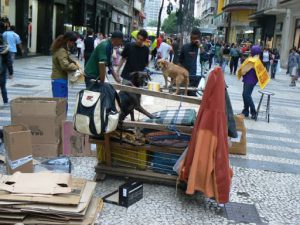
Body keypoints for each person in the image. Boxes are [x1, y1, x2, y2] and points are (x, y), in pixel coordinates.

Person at [50, 31, 79, 100]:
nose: (73, 44)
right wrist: (76, 67)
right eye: (73, 42)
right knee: (61, 103)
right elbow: (65, 65)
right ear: (68, 41)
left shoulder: (60, 49)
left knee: (61, 102)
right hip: (59, 80)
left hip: (59, 79)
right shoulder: (61, 51)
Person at [239, 45, 262, 119]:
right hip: (252, 80)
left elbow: (244, 70)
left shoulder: (252, 60)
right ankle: (246, 111)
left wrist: (241, 71)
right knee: (246, 95)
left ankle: (253, 112)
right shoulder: (258, 60)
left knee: (246, 95)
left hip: (249, 80)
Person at [0, 34, 13, 106]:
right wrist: (11, 73)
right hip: (2, 71)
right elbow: (9, 62)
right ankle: (5, 101)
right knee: (3, 87)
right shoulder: (6, 49)